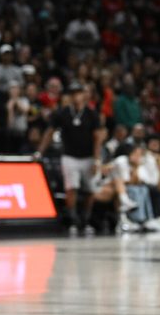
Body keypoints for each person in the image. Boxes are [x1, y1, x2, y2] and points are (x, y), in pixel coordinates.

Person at [35, 82, 127, 235]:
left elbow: (97, 138)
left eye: (78, 93)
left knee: (90, 190)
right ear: (70, 96)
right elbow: (49, 132)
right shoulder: (62, 113)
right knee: (72, 188)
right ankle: (73, 220)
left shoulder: (92, 114)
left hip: (88, 157)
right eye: (73, 93)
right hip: (69, 156)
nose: (76, 96)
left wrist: (97, 160)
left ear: (84, 95)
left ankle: (85, 219)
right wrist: (40, 152)